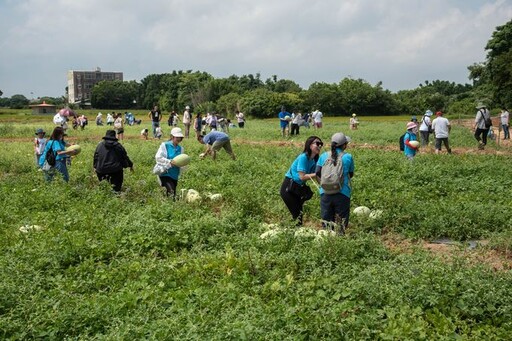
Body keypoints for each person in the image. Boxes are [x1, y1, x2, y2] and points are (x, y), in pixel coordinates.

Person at [280, 136, 323, 226]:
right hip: (288, 187)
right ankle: (292, 233)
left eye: (321, 144)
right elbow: (302, 177)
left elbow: (317, 176)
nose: (319, 146)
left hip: (297, 188)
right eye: (317, 144)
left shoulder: (315, 160)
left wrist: (323, 188)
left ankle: (291, 230)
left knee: (299, 214)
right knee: (297, 214)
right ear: (310, 145)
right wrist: (317, 174)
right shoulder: (303, 157)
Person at [315, 132, 354, 233]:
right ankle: (340, 240)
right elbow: (351, 174)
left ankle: (327, 240)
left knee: (326, 222)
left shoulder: (323, 155)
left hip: (325, 192)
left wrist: (325, 184)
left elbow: (317, 173)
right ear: (344, 145)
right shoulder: (348, 157)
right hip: (342, 192)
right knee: (341, 222)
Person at [155, 127, 185, 199]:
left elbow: (181, 161)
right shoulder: (165, 145)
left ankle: (166, 203)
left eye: (180, 137)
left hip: (175, 174)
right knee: (171, 191)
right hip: (165, 172)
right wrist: (169, 161)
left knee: (172, 192)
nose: (178, 139)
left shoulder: (181, 149)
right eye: (177, 137)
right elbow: (158, 157)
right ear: (172, 136)